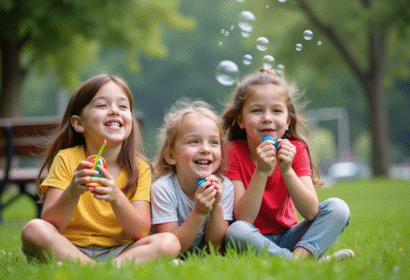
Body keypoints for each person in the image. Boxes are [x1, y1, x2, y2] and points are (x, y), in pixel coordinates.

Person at [21, 74, 180, 266]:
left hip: (120, 251)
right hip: (69, 247)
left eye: (123, 106)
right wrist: (73, 190)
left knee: (169, 242)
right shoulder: (67, 158)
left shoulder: (140, 167)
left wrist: (116, 196)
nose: (114, 111)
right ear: (79, 123)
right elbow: (51, 222)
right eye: (102, 105)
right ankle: (97, 270)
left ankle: (96, 269)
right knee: (34, 229)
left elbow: (140, 232)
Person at [221, 68, 354, 261]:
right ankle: (307, 262)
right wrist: (261, 171)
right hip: (252, 239)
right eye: (257, 110)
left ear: (287, 119)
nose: (267, 117)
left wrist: (287, 170)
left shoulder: (297, 149)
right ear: (241, 119)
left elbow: (310, 212)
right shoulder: (232, 151)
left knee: (338, 208)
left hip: (290, 236)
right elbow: (243, 219)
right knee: (236, 231)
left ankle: (295, 261)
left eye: (276, 110)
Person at [151, 99, 234, 255]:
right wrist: (199, 211)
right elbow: (172, 247)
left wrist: (216, 206)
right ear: (171, 155)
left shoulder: (225, 186)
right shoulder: (163, 189)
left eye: (213, 142)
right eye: (194, 142)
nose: (205, 149)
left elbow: (215, 248)